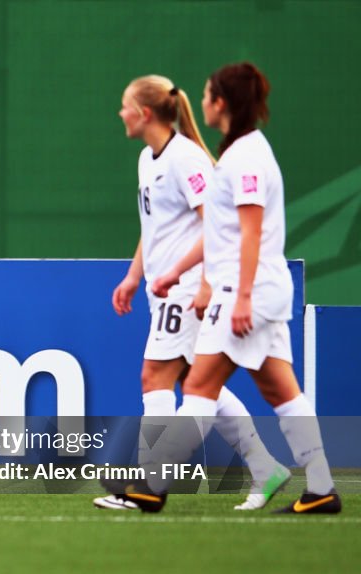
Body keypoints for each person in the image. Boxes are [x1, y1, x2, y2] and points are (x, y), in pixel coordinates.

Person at [141, 63, 340, 514]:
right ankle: (322, 488)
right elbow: (221, 234)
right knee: (282, 393)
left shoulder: (246, 156)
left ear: (221, 103)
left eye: (209, 94)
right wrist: (176, 272)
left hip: (244, 290)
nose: (204, 101)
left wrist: (243, 296)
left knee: (199, 387)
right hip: (255, 289)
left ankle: (150, 485)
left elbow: (251, 233)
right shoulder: (238, 153)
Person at [94, 75, 289, 512]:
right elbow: (155, 229)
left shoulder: (187, 159)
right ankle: (265, 467)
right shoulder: (149, 158)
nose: (120, 113)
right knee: (198, 384)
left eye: (124, 106)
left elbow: (216, 223)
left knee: (155, 376)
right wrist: (132, 276)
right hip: (162, 290)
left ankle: (146, 484)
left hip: (187, 290)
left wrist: (204, 284)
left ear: (144, 113)